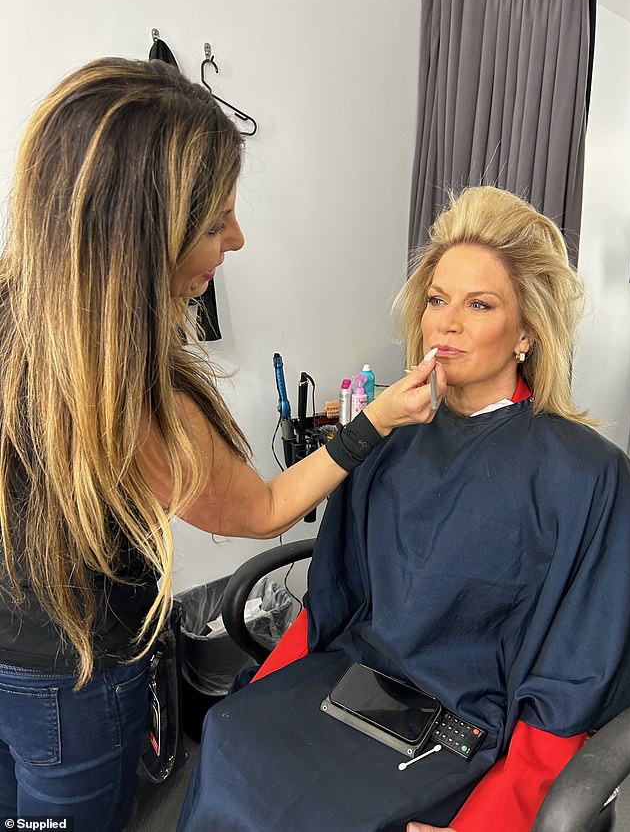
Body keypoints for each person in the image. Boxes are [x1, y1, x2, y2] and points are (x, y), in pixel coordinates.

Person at [0, 57, 443, 831]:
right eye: (213, 223)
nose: (236, 239)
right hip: (67, 683)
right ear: (136, 240)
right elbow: (265, 507)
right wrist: (373, 423)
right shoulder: (128, 393)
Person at [176, 186, 630, 832]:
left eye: (480, 304)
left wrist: (495, 818)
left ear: (527, 329)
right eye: (438, 300)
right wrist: (270, 684)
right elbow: (334, 594)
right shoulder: (391, 435)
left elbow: (577, 672)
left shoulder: (587, 475)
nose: (446, 322)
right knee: (231, 734)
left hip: (472, 724)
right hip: (357, 679)